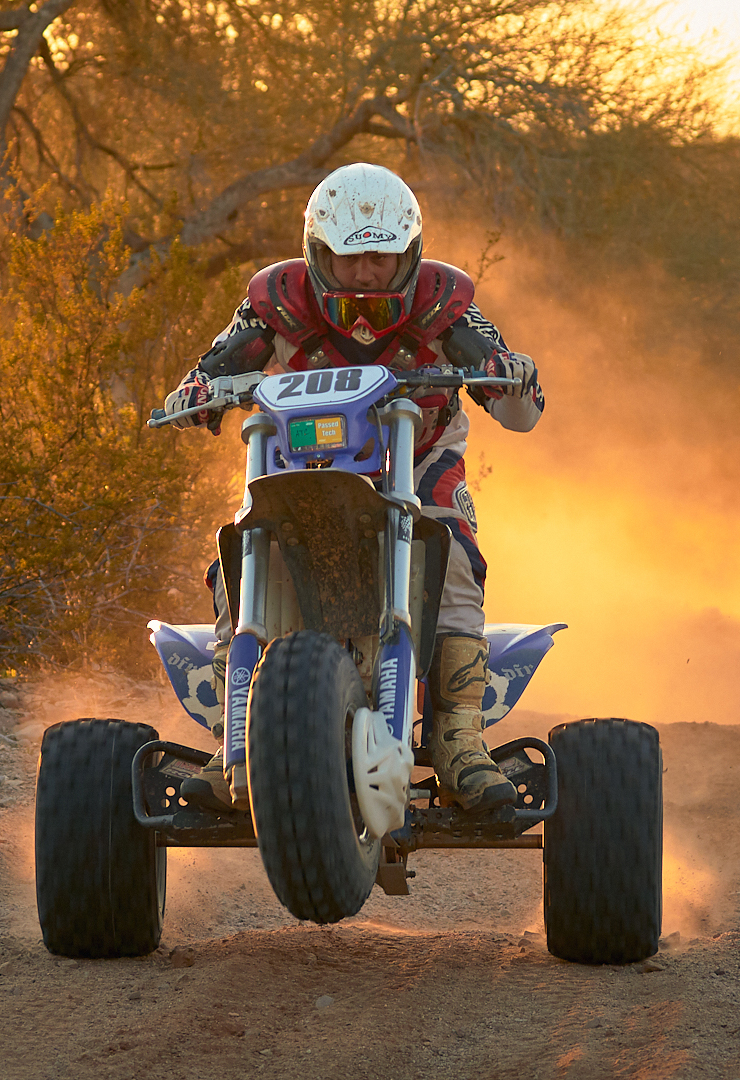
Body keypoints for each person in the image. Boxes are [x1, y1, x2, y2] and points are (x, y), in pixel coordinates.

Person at [162, 162, 544, 816]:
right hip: (300, 463)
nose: (366, 273)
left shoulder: (441, 299)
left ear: (409, 254)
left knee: (451, 553)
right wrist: (197, 390)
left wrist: (507, 375)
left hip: (417, 456)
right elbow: (215, 367)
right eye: (349, 258)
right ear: (318, 253)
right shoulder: (274, 299)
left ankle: (458, 742)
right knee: (236, 558)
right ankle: (240, 744)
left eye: (381, 257)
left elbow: (514, 402)